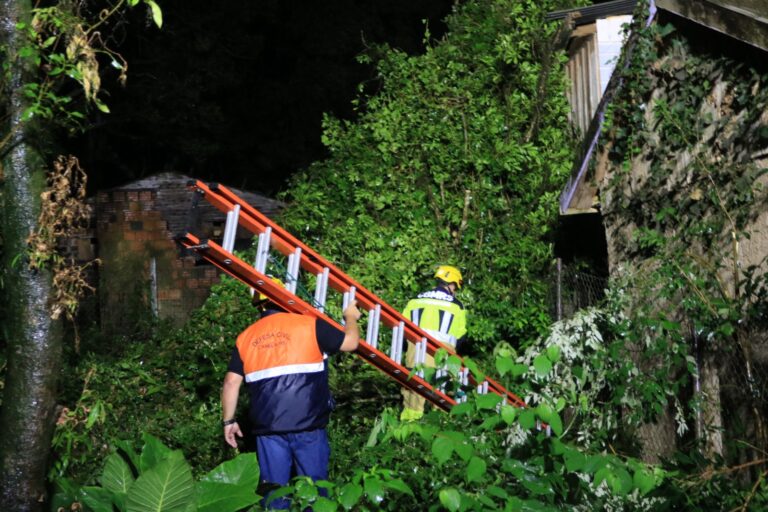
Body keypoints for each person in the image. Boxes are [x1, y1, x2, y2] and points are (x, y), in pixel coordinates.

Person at [221, 278, 361, 508]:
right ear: (287, 297)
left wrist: (229, 421)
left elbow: (230, 382)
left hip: (268, 430)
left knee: (275, 494)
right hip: (309, 426)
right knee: (315, 493)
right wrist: (351, 318)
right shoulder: (309, 324)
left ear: (259, 304)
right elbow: (351, 342)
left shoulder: (246, 337)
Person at [400, 265, 468, 422]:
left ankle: (407, 433)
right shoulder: (457, 305)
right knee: (442, 397)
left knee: (413, 396)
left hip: (415, 352)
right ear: (451, 284)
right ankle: (440, 427)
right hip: (443, 355)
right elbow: (461, 335)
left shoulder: (415, 299)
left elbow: (402, 326)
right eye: (456, 286)